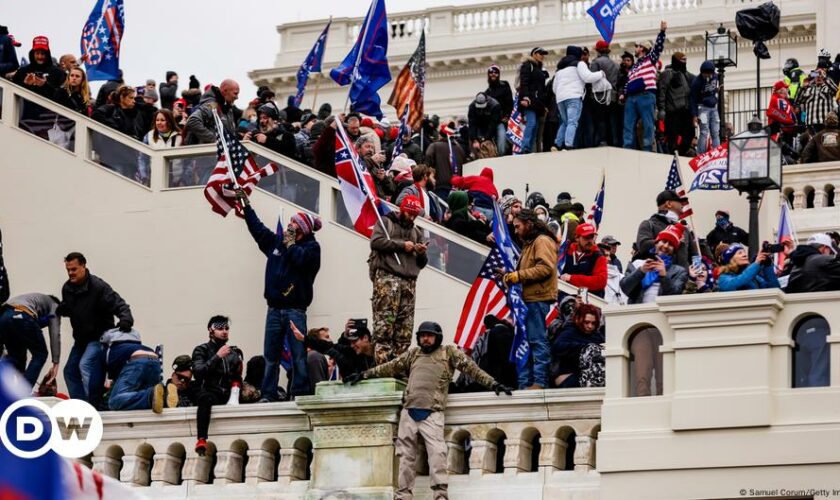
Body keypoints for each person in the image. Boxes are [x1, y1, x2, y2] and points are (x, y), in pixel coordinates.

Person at [344, 321, 513, 500]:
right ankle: (403, 495)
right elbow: (389, 367)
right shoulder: (413, 354)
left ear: (437, 337)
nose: (425, 338)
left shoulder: (448, 353)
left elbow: (472, 369)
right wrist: (364, 375)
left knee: (437, 455)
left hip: (432, 412)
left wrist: (493, 383)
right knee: (405, 458)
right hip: (408, 412)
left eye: (429, 335)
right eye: (422, 335)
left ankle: (440, 495)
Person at [236, 190, 321, 400]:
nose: (289, 225)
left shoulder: (312, 248)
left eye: (294, 223)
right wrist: (246, 207)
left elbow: (300, 260)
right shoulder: (276, 243)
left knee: (298, 355)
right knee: (271, 356)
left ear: (302, 229)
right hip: (273, 308)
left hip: (295, 309)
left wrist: (291, 244)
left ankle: (300, 393)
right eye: (290, 222)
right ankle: (268, 394)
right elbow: (258, 230)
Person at [59, 252, 133, 408]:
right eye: (68, 270)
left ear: (83, 266)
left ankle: (96, 404)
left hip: (99, 336)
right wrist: (64, 309)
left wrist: (126, 319)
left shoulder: (98, 287)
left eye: (74, 269)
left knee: (85, 365)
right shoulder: (67, 288)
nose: (70, 273)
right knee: (69, 372)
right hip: (81, 340)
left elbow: (119, 304)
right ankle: (81, 406)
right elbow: (70, 307)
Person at [502, 209, 557, 389]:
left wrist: (518, 276)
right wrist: (509, 275)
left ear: (529, 224)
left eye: (518, 226)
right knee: (525, 342)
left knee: (537, 341)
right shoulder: (529, 244)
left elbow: (545, 268)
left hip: (537, 299)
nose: (515, 230)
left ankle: (540, 382)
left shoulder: (542, 241)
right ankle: (525, 383)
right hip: (527, 300)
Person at [369, 196, 428, 364]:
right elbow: (376, 242)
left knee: (404, 330)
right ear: (402, 210)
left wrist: (421, 252)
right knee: (384, 325)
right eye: (410, 214)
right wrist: (402, 245)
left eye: (415, 215)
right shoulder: (386, 222)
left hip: (409, 282)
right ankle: (382, 364)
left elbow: (422, 263)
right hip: (388, 277)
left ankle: (399, 365)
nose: (412, 218)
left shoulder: (416, 232)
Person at [192, 315, 244, 454]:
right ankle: (201, 439)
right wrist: (217, 357)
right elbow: (198, 373)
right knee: (204, 398)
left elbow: (237, 377)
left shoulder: (233, 353)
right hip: (210, 392)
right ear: (210, 330)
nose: (224, 331)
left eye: (226, 328)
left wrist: (235, 394)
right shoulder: (201, 350)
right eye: (220, 328)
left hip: (228, 393)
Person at [622, 21, 667, 151]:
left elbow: (658, 47)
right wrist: (623, 93)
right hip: (631, 98)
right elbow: (628, 81)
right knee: (628, 125)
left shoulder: (650, 59)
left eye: (637, 46)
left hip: (646, 95)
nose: (635, 48)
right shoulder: (634, 67)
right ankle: (627, 148)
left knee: (648, 124)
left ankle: (647, 149)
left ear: (642, 48)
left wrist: (662, 32)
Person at [103, 328, 173, 413]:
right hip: (155, 360)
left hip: (137, 360)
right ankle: (165, 395)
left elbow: (95, 382)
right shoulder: (135, 345)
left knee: (114, 401)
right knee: (154, 401)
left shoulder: (109, 348)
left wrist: (93, 404)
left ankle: (150, 395)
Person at [0, 293, 61, 387]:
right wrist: (55, 363)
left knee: (15, 358)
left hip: (4, 317)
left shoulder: (34, 300)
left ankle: (11, 390)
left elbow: (30, 327)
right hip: (21, 314)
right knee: (40, 354)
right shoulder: (54, 305)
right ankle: (22, 394)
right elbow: (55, 333)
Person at [552, 45, 605, 151]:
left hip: (560, 99)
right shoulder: (579, 64)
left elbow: (554, 88)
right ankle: (568, 145)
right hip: (574, 96)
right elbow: (588, 77)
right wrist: (601, 73)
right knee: (572, 122)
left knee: (565, 122)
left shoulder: (560, 69)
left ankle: (557, 145)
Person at [620, 224, 689, 304]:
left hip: (662, 314)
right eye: (664, 241)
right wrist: (641, 271)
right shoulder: (638, 263)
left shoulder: (679, 271)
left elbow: (675, 298)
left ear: (674, 250)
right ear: (656, 243)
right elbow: (625, 288)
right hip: (637, 313)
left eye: (671, 244)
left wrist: (664, 276)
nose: (666, 246)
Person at [292, 318, 375, 378]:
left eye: (355, 341)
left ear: (365, 338)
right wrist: (304, 338)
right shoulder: (352, 353)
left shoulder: (383, 351)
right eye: (350, 342)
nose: (352, 345)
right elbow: (329, 346)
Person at [636, 190, 698, 269]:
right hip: (657, 277)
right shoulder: (648, 224)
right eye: (679, 202)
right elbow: (643, 245)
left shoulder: (685, 230)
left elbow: (694, 256)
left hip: (682, 278)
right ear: (669, 204)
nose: (682, 205)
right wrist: (667, 240)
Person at [550, 304, 605, 388]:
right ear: (579, 319)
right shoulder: (570, 331)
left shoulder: (597, 336)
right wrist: (585, 348)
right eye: (586, 322)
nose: (590, 326)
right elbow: (557, 346)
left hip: (588, 377)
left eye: (593, 323)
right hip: (568, 379)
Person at [658, 52, 695, 156]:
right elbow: (662, 91)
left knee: (690, 133)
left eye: (685, 60)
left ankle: (681, 152)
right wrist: (662, 109)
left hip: (686, 111)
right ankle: (674, 153)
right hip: (673, 111)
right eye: (682, 60)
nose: (685, 62)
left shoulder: (686, 74)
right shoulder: (668, 73)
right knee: (672, 137)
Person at [559, 223, 609, 297]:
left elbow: (601, 281)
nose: (590, 241)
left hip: (589, 302)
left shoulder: (598, 256)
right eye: (586, 237)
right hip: (564, 299)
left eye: (592, 237)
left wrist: (571, 278)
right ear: (577, 238)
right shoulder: (565, 252)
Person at [184, 79, 240, 144]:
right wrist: (215, 140)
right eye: (235, 93)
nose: (237, 97)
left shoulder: (227, 108)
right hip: (209, 152)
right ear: (225, 91)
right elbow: (192, 121)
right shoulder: (212, 105)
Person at [590, 40, 621, 147]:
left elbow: (592, 79)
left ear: (598, 50)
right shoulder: (616, 65)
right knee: (612, 120)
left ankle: (602, 141)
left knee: (601, 119)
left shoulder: (596, 62)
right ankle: (615, 142)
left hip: (600, 96)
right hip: (612, 96)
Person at [518, 47, 549, 154]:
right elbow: (524, 83)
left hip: (537, 103)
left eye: (543, 54)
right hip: (529, 101)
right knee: (531, 123)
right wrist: (525, 98)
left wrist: (543, 105)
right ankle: (525, 147)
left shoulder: (539, 69)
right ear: (534, 54)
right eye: (540, 53)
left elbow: (541, 90)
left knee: (535, 126)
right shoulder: (527, 66)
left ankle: (529, 148)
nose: (542, 56)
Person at [140, 109, 182, 186]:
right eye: (157, 120)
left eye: (162, 120)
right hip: (155, 181)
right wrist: (144, 177)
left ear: (169, 121)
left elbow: (187, 162)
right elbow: (143, 159)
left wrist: (184, 179)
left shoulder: (180, 136)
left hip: (176, 182)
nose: (159, 123)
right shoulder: (149, 136)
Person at [424, 125, 466, 200]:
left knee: (442, 210)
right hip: (457, 188)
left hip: (440, 186)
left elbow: (427, 160)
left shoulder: (434, 146)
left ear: (440, 135)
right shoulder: (460, 149)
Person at [717, 244, 781, 291]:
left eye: (744, 252)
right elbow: (737, 282)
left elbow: (775, 289)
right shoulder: (723, 278)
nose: (745, 255)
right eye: (740, 253)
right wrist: (756, 263)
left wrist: (767, 266)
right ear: (730, 259)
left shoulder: (755, 277)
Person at [690, 60, 721, 154]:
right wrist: (694, 115)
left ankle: (717, 153)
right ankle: (701, 154)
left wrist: (716, 90)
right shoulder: (697, 82)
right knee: (704, 132)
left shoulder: (716, 76)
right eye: (705, 74)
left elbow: (715, 87)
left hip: (713, 107)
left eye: (709, 73)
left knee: (715, 132)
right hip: (702, 107)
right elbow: (693, 99)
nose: (707, 76)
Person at [484, 64, 513, 155]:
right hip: (491, 122)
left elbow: (509, 102)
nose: (493, 74)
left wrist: (507, 115)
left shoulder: (504, 85)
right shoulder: (487, 92)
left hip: (502, 120)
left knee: (502, 139)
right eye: (491, 72)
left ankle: (502, 155)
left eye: (496, 72)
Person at [305, 327, 331, 392]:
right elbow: (319, 388)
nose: (330, 340)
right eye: (327, 337)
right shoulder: (315, 356)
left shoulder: (312, 355)